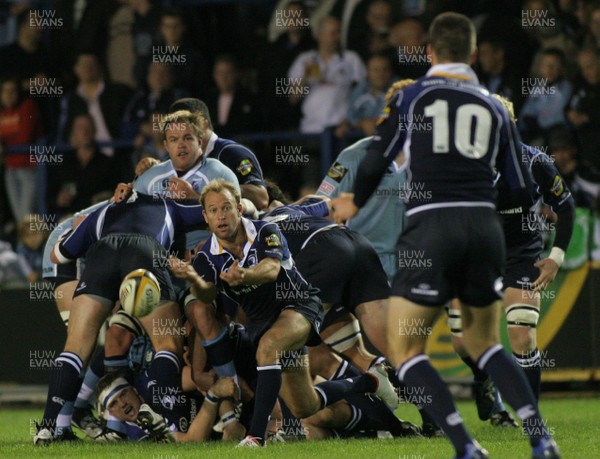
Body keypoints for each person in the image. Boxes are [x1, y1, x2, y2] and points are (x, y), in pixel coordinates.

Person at [332, 12, 560, 459]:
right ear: (473, 54)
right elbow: (517, 187)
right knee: (485, 342)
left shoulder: (414, 95)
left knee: (406, 345)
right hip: (485, 229)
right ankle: (541, 438)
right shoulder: (494, 105)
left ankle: (466, 445)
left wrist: (354, 201)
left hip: (433, 228)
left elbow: (379, 155)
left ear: (430, 52)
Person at [169, 179, 395, 447]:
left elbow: (271, 269)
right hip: (264, 321)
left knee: (268, 348)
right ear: (205, 217)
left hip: (299, 304)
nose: (221, 215)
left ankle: (256, 437)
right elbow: (207, 295)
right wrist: (193, 278)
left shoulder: (266, 229)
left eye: (227, 207)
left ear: (239, 209)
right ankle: (369, 383)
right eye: (214, 210)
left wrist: (245, 275)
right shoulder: (206, 256)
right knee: (305, 406)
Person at [33, 191, 206, 445]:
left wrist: (82, 233)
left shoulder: (103, 210)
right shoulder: (168, 203)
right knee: (167, 344)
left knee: (76, 346)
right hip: (145, 250)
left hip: (103, 254)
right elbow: (214, 209)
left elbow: (58, 255)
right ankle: (163, 420)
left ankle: (50, 429)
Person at [168, 98, 269, 210]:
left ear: (203, 125)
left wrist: (209, 190)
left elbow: (261, 198)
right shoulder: (176, 157)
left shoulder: (232, 153)